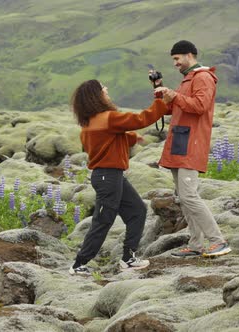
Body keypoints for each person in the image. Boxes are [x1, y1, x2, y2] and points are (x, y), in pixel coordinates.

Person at [69, 79, 169, 275]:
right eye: (102, 88)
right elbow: (141, 119)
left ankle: (128, 258)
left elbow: (108, 139)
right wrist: (160, 102)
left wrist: (131, 137)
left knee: (138, 210)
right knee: (103, 219)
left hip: (109, 176)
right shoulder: (108, 118)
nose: (106, 90)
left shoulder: (90, 123)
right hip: (108, 177)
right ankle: (79, 264)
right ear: (95, 96)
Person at [153, 40, 231, 258]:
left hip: (192, 143)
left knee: (189, 196)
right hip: (180, 141)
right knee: (183, 196)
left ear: (189, 55)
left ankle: (218, 241)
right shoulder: (188, 79)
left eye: (177, 59)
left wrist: (175, 95)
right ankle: (196, 244)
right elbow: (172, 108)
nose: (175, 63)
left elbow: (199, 106)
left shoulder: (203, 77)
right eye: (174, 60)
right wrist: (161, 92)